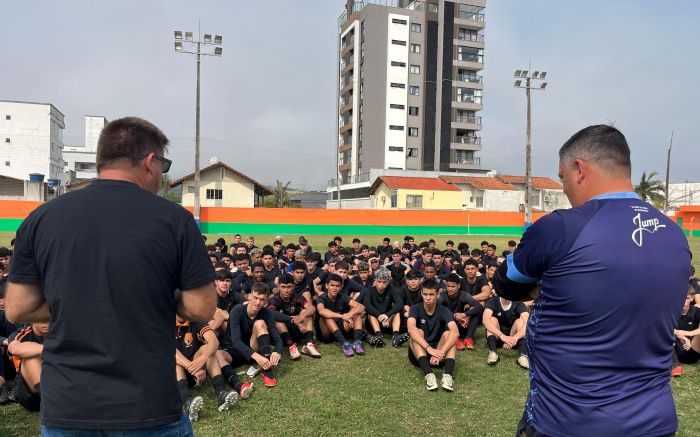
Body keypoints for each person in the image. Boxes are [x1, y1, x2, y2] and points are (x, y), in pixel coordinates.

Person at [6, 117, 216, 434]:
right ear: (150, 162)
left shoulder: (41, 218)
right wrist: (154, 297)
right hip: (147, 406)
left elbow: (18, 308)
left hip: (69, 405)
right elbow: (201, 308)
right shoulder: (175, 220)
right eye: (164, 164)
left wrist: (77, 301)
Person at [494, 125, 692, 437]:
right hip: (654, 422)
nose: (564, 188)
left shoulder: (560, 228)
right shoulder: (675, 237)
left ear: (579, 169)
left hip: (566, 423)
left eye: (562, 178)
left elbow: (506, 284)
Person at [217, 283, 283, 388]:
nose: (258, 302)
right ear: (249, 296)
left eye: (262, 299)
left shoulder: (266, 313)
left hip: (252, 349)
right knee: (217, 355)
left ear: (266, 301)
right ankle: (238, 384)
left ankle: (267, 371)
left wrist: (278, 352)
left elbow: (276, 338)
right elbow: (236, 341)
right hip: (233, 350)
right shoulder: (237, 310)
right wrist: (257, 357)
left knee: (260, 323)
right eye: (256, 297)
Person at [175, 317, 238, 421]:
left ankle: (221, 393)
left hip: (195, 369)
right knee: (174, 361)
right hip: (177, 375)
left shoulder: (194, 319)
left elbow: (214, 341)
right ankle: (187, 402)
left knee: (207, 349)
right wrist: (193, 368)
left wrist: (202, 360)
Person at [407, 280, 459, 392]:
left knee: (449, 334)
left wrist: (441, 353)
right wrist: (429, 349)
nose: (428, 298)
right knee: (417, 332)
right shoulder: (415, 309)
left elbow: (455, 332)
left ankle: (447, 377)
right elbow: (411, 329)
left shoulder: (444, 310)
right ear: (421, 293)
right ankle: (429, 375)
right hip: (419, 355)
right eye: (425, 294)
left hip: (439, 354)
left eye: (431, 294)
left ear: (438, 294)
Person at [268, 273, 320, 359]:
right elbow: (272, 313)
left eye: (289, 287)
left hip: (297, 331)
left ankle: (308, 344)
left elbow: (312, 308)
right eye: (283, 287)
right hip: (282, 335)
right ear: (278, 287)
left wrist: (302, 316)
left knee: (306, 313)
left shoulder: (297, 297)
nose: (286, 290)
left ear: (293, 287)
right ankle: (291, 346)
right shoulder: (274, 299)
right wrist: (295, 321)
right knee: (278, 320)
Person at [316, 274, 366, 357]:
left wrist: (350, 314)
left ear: (341, 286)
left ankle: (357, 342)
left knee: (356, 312)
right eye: (332, 285)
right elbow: (321, 311)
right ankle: (344, 344)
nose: (335, 288)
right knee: (326, 315)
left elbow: (361, 307)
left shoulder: (343, 296)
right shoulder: (322, 297)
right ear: (327, 286)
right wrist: (343, 316)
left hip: (341, 330)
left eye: (337, 286)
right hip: (326, 333)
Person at [363, 268, 407, 348]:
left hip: (387, 320)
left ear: (388, 282)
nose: (381, 284)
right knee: (371, 314)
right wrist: (379, 316)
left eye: (384, 282)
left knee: (396, 313)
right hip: (374, 322)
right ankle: (379, 335)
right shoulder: (370, 290)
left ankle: (395, 336)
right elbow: (367, 305)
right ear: (375, 281)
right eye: (379, 281)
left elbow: (400, 304)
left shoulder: (391, 289)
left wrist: (387, 315)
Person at [481, 296, 529, 369]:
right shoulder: (493, 301)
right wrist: (502, 336)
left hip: (514, 338)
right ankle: (493, 353)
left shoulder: (519, 303)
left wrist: (514, 339)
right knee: (492, 319)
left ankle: (523, 356)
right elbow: (485, 320)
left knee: (520, 321)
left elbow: (528, 322)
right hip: (497, 337)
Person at [439, 274, 483, 351]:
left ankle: (468, 338)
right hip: (449, 326)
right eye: (448, 286)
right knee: (441, 318)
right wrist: (455, 316)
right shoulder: (442, 295)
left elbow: (479, 306)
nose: (450, 289)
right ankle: (455, 339)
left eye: (453, 286)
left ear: (458, 286)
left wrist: (465, 314)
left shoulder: (464, 295)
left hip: (462, 324)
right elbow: (437, 310)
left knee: (476, 314)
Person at [671, 285, 700, 377]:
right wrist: (679, 335)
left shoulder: (695, 311)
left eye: (686, 298)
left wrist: (689, 334)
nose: (683, 301)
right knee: (662, 334)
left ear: (692, 298)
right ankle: (675, 366)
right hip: (674, 349)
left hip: (692, 350)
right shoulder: (670, 312)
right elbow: (660, 326)